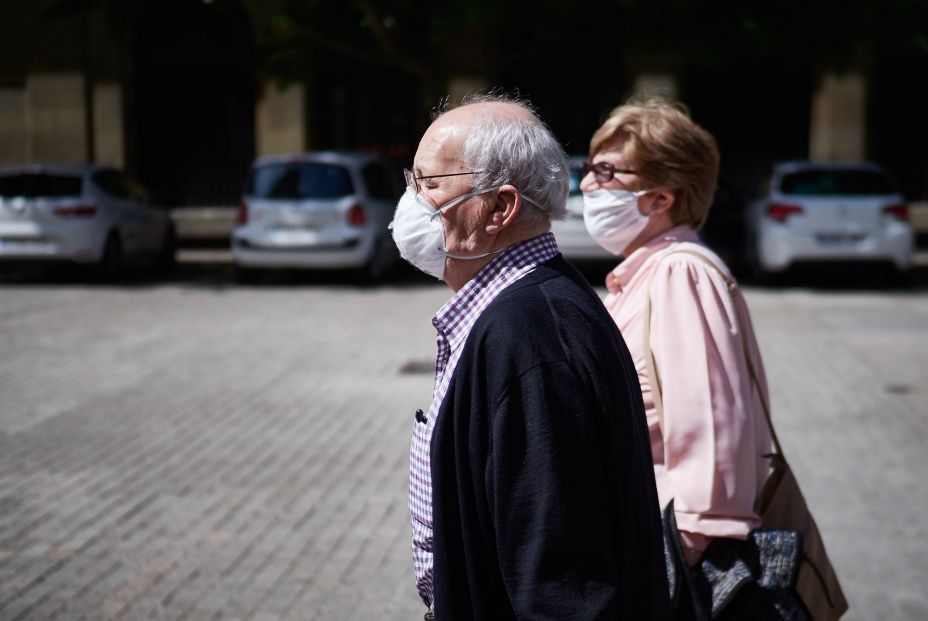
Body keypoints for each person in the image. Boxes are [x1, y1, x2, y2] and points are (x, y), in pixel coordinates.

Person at [392, 95, 671, 620]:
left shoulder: (531, 335)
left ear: (499, 208)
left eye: (428, 186)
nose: (412, 202)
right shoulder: (525, 309)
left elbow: (562, 587)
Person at [579, 99, 773, 568]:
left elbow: (710, 425)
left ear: (661, 198)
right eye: (590, 168)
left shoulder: (680, 273)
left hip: (668, 552)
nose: (586, 183)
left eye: (606, 172)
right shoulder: (644, 273)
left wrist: (687, 556)